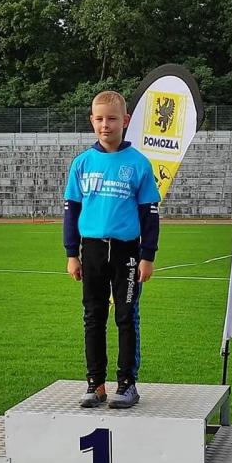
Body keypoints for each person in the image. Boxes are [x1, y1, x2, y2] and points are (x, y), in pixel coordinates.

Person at [63, 91, 160, 409]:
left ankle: (127, 384)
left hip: (126, 252)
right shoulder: (82, 163)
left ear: (126, 121)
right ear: (92, 120)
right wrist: (71, 253)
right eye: (100, 119)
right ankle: (95, 384)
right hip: (90, 250)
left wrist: (148, 256)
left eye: (112, 118)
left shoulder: (138, 164)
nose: (106, 125)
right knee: (93, 317)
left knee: (126, 316)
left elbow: (149, 215)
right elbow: (71, 212)